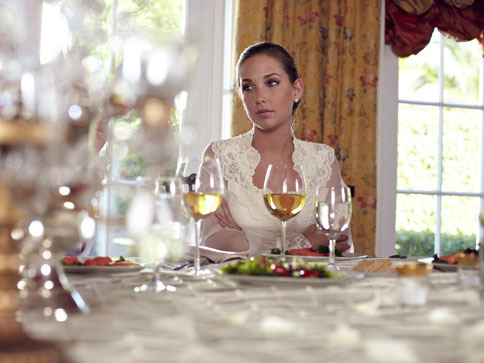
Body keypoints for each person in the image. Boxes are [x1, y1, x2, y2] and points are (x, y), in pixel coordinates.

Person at [200, 41, 352, 255]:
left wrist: (250, 238)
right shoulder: (219, 155)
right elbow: (215, 240)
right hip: (242, 283)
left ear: (296, 89)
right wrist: (302, 241)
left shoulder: (322, 159)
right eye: (248, 87)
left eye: (271, 83)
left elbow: (337, 240)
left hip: (310, 282)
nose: (259, 98)